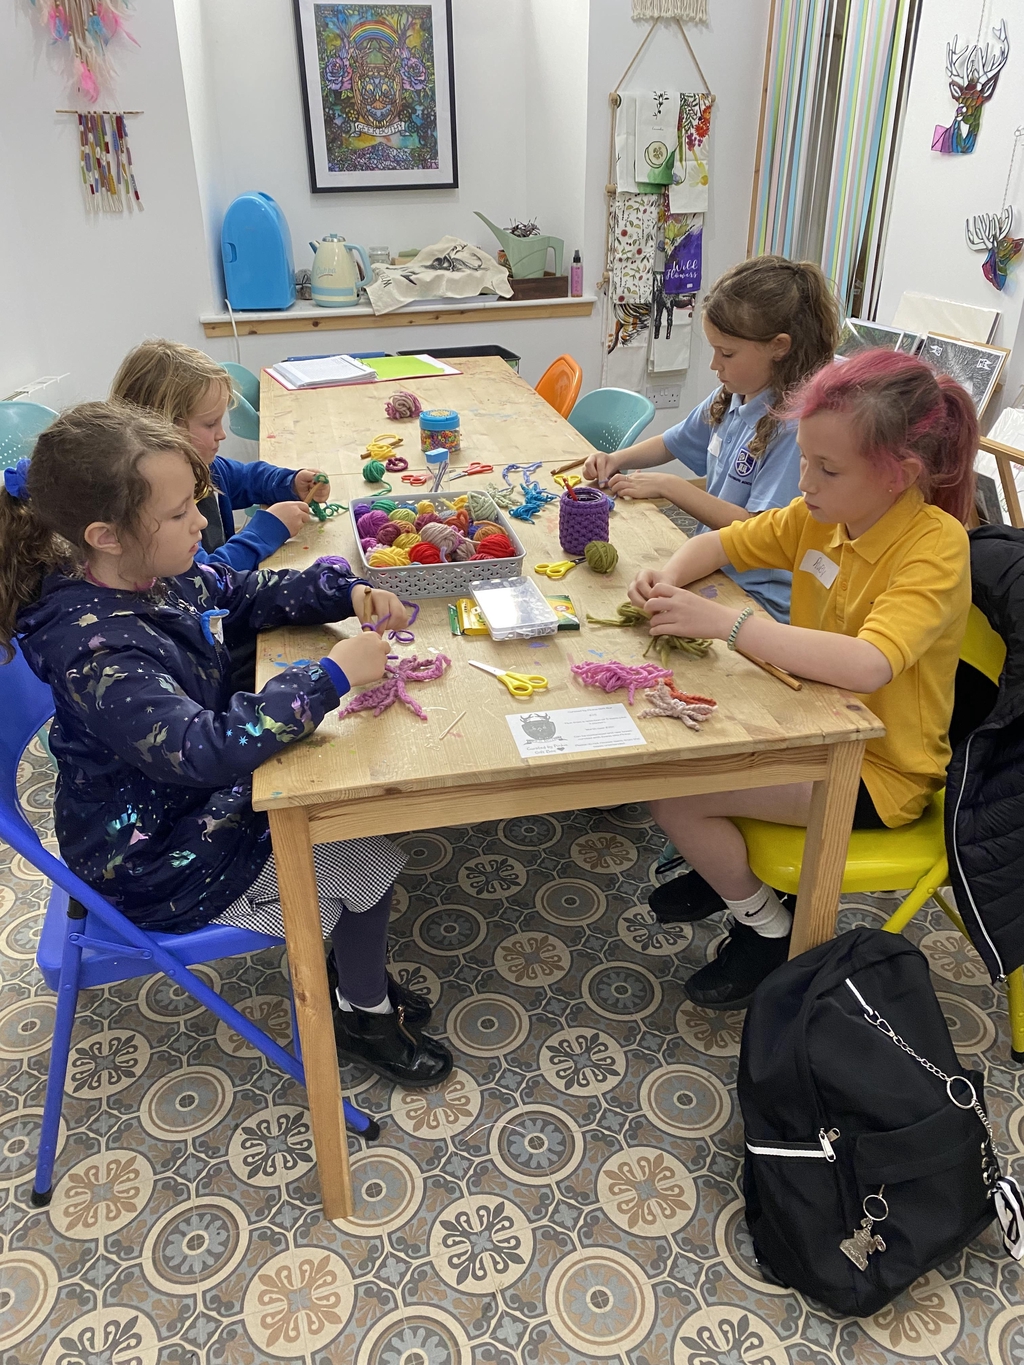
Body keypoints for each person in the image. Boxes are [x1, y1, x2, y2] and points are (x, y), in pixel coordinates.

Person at [1, 402, 451, 1087]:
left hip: (184, 811)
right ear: (106, 534)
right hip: (152, 859)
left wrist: (344, 590)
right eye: (181, 513)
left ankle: (352, 971)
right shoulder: (97, 648)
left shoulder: (151, 572)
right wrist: (328, 676)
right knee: (372, 862)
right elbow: (199, 746)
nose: (202, 524)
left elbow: (240, 591)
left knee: (351, 827)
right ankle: (363, 1009)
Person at [627, 349, 977, 1008]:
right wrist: (670, 578)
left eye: (827, 467)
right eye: (807, 458)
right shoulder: (825, 513)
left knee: (671, 788)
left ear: (898, 475)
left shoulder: (935, 547)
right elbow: (720, 544)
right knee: (675, 738)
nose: (806, 479)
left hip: (878, 768)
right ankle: (728, 869)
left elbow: (870, 662)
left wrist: (724, 624)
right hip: (811, 723)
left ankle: (767, 929)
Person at [585, 256, 841, 625]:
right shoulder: (736, 395)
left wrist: (671, 487)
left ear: (779, 347)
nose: (714, 364)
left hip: (759, 599)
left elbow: (758, 529)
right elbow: (674, 441)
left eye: (727, 353)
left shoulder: (794, 428)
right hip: (713, 566)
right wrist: (616, 459)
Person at [111, 339, 324, 573]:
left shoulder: (205, 467)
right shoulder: (155, 505)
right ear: (164, 427)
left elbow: (247, 478)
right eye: (210, 423)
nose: (221, 434)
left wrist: (291, 483)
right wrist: (267, 530)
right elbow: (205, 578)